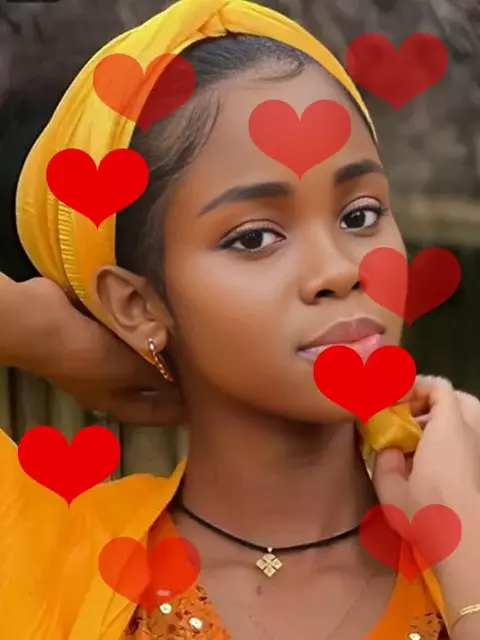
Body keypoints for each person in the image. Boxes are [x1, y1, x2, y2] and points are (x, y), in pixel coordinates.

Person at [1, 0, 480, 638]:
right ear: (137, 304)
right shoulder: (42, 555)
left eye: (360, 215)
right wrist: (46, 335)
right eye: (255, 238)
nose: (340, 269)